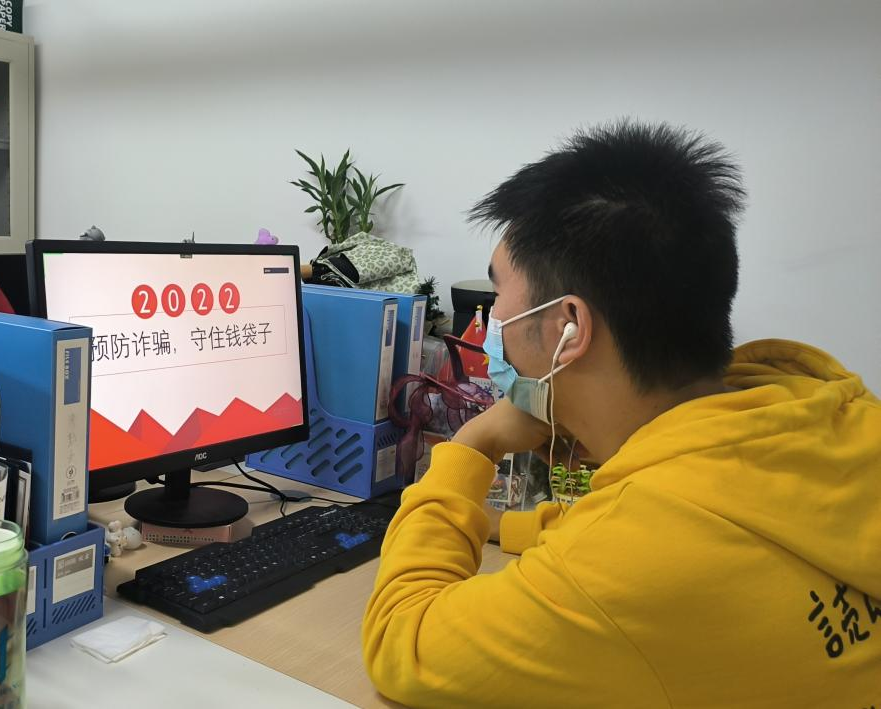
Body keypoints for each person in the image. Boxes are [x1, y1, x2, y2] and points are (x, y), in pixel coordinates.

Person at [362, 121, 881, 707]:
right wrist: (516, 527)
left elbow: (402, 643)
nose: (493, 320)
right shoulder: (813, 414)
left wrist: (473, 445)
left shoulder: (632, 560)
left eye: (499, 293)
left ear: (569, 326)